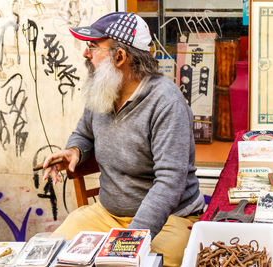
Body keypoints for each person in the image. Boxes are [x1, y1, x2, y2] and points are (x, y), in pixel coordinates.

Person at [42, 12, 205, 266]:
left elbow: (168, 184)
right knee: (53, 254)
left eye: (93, 47)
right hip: (107, 214)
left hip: (171, 219)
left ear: (120, 57)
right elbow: (84, 133)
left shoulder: (166, 102)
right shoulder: (103, 89)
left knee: (156, 262)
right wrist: (74, 150)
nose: (86, 54)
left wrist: (129, 241)